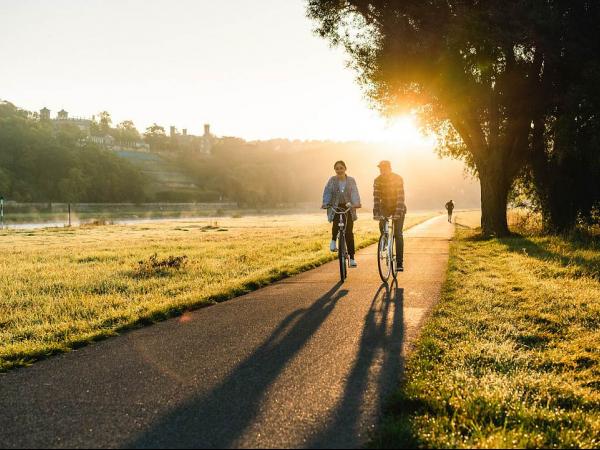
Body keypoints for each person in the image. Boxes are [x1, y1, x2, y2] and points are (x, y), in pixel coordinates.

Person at [322, 160, 362, 268]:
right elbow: (327, 191)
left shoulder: (351, 180)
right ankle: (333, 240)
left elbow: (354, 192)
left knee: (349, 232)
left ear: (345, 169)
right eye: (337, 168)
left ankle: (352, 258)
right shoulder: (332, 180)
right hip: (335, 206)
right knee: (336, 222)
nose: (339, 170)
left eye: (341, 168)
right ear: (335, 170)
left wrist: (356, 203)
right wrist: (325, 203)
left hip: (348, 207)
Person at [373, 160, 406, 272]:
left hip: (398, 206)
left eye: (385, 168)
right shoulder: (377, 180)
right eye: (381, 169)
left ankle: (399, 262)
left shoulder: (398, 178)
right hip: (385, 206)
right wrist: (376, 213)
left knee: (398, 234)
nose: (382, 171)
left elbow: (401, 196)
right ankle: (385, 238)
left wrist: (398, 212)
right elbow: (376, 198)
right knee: (382, 223)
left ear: (389, 168)